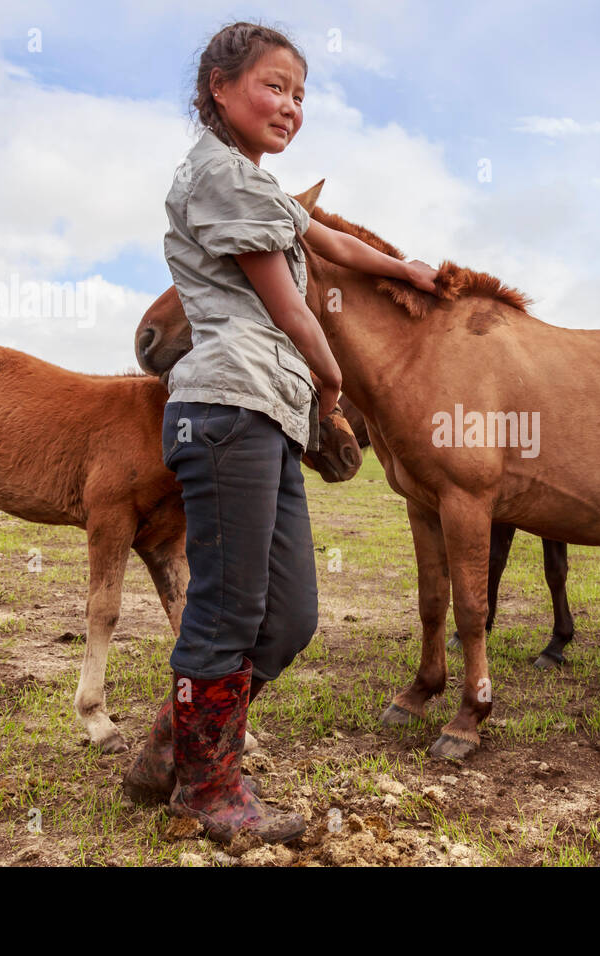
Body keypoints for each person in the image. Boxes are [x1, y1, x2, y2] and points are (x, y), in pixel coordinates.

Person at [122, 22, 439, 845]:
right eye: (273, 86)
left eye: (300, 94)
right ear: (219, 89)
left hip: (263, 414)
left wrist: (400, 268)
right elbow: (287, 301)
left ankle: (173, 744)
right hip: (226, 408)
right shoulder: (218, 177)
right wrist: (333, 384)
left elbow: (319, 237)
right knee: (227, 610)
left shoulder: (259, 188)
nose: (290, 105)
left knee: (288, 616)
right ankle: (209, 788)